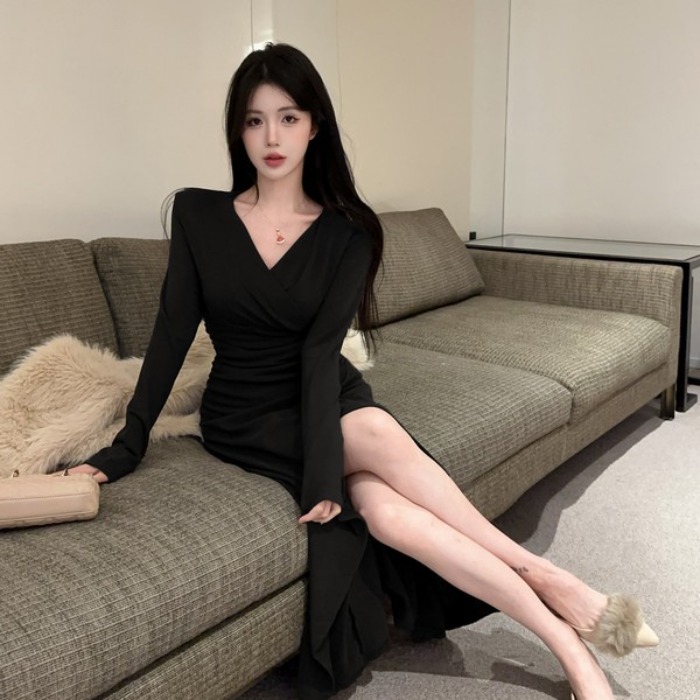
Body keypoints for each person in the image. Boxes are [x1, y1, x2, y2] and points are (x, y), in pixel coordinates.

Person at [68, 43, 656, 700]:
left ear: (314, 125)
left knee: (386, 513)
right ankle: (550, 583)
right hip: (246, 415)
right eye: (255, 120)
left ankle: (564, 642)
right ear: (238, 130)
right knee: (374, 454)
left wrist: (326, 471)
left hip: (324, 395)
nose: (271, 138)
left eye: (288, 118)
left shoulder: (348, 233)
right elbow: (171, 336)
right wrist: (127, 444)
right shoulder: (199, 217)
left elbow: (319, 357)